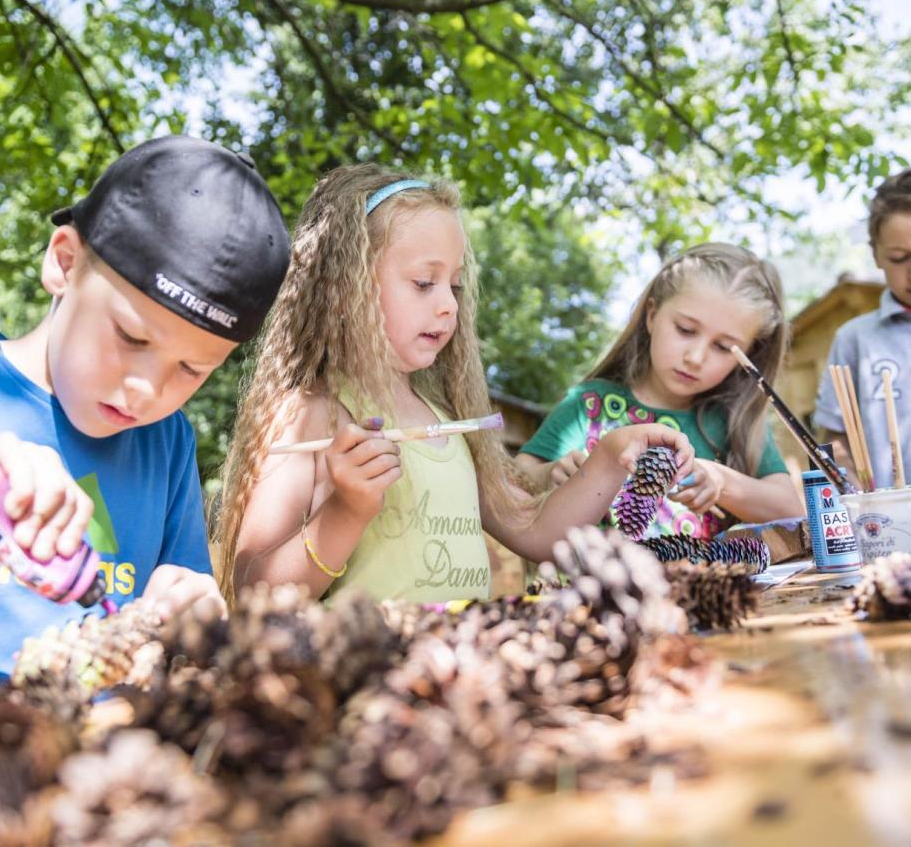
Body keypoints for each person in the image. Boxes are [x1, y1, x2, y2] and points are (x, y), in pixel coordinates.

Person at [216, 165, 693, 604]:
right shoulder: (312, 414)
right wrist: (347, 509)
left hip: (460, 677)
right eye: (425, 283)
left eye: (455, 285)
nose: (449, 305)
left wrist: (611, 456)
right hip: (368, 685)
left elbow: (535, 529)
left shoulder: (448, 419)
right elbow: (253, 590)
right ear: (345, 291)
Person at [0, 135, 290, 683]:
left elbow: (177, 618)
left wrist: (191, 624)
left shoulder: (167, 442)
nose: (145, 390)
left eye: (191, 369)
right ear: (64, 263)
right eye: (132, 338)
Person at [516, 243, 802, 540]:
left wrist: (721, 481)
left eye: (721, 347)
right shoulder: (590, 405)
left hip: (699, 585)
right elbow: (521, 472)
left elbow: (790, 510)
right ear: (652, 315)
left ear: (747, 356)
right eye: (686, 330)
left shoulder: (734, 421)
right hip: (588, 584)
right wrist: (548, 474)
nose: (695, 357)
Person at [814, 169, 911, 488]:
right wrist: (850, 484)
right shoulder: (855, 339)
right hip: (887, 525)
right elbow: (834, 438)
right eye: (899, 258)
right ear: (876, 254)